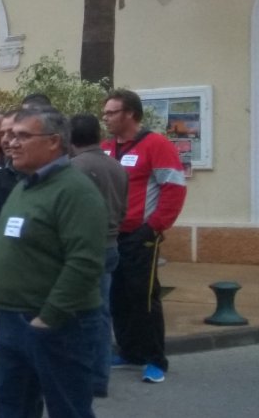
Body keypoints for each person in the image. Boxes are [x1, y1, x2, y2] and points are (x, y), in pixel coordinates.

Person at [0, 109, 106, 418]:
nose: (10, 143)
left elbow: (85, 262)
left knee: (68, 409)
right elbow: (7, 228)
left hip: (58, 324)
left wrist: (50, 316)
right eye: (9, 136)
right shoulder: (27, 185)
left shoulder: (75, 190)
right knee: (13, 406)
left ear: (53, 142)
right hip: (13, 322)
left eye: (22, 136)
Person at [102, 88, 187, 384]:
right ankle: (129, 351)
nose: (106, 118)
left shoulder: (156, 145)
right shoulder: (106, 147)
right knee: (118, 296)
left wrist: (154, 227)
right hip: (112, 238)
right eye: (105, 113)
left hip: (142, 237)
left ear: (131, 115)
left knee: (144, 298)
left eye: (112, 112)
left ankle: (155, 359)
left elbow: (174, 188)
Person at [69, 113, 128, 398]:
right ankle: (99, 376)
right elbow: (124, 208)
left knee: (83, 316)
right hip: (112, 244)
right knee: (101, 313)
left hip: (85, 248)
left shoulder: (73, 169)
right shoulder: (117, 167)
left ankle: (87, 376)